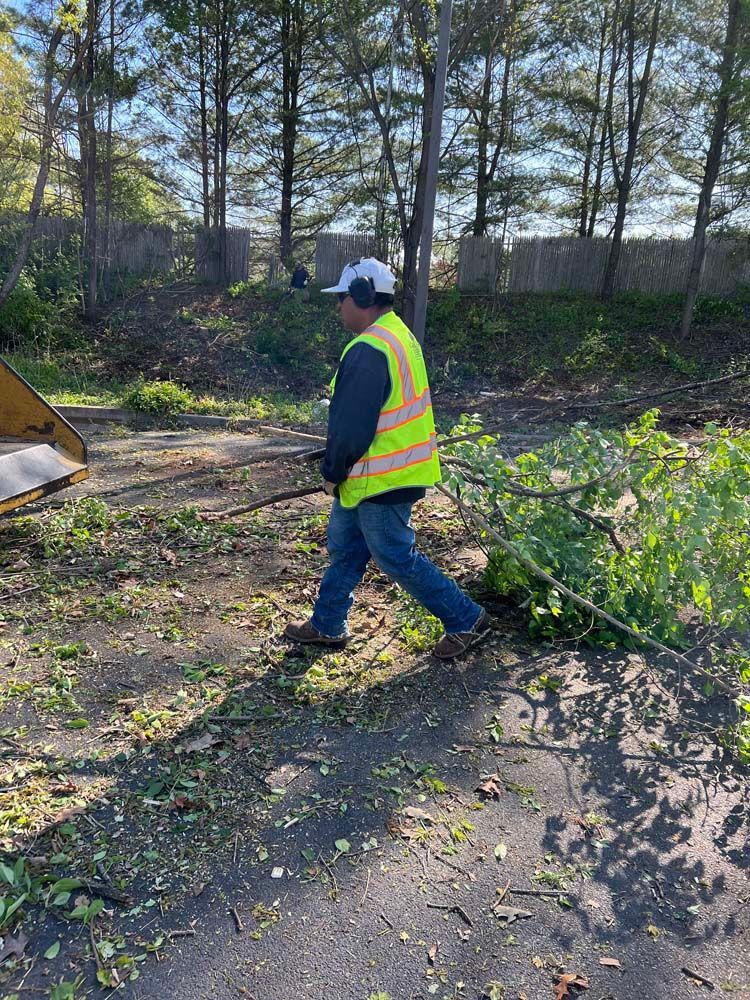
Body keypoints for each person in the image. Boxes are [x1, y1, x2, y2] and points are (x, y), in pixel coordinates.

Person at [284, 257, 490, 660]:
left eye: (341, 298)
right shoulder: (399, 336)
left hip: (381, 477)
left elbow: (350, 427)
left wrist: (332, 472)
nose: (338, 306)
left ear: (361, 296)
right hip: (374, 476)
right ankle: (327, 623)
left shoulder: (369, 348)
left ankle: (466, 619)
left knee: (395, 556)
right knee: (346, 549)